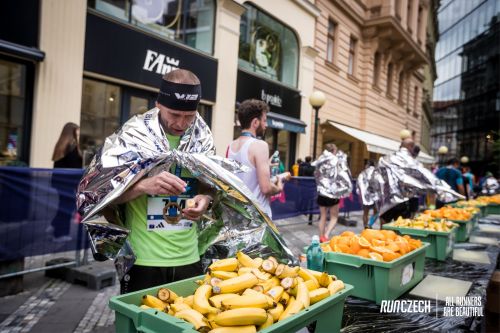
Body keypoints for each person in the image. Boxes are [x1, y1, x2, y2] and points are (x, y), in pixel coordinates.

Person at [112, 69, 215, 293]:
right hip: (144, 261)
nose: (181, 123)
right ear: (159, 104)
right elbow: (103, 197)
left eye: (189, 116)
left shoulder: (202, 137)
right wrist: (143, 186)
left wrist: (205, 199)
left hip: (189, 257)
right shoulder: (133, 135)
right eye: (174, 114)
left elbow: (211, 186)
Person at [227, 99, 283, 218]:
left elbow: (245, 176)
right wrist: (278, 188)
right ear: (255, 122)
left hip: (236, 214)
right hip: (257, 218)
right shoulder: (260, 145)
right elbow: (266, 188)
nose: (266, 125)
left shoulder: (230, 146)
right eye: (264, 120)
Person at [50, 122, 83, 241]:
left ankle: (54, 225)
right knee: (67, 208)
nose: (79, 134)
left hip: (59, 182)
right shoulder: (72, 147)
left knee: (62, 205)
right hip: (67, 182)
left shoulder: (61, 145)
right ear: (72, 132)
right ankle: (60, 234)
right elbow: (75, 166)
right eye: (77, 131)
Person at [379, 138, 414, 226]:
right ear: (410, 147)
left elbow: (379, 178)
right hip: (403, 200)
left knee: (384, 227)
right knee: (402, 229)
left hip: (387, 200)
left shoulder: (386, 158)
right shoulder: (409, 161)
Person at [315, 143, 341, 242]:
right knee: (334, 217)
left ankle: (321, 236)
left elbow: (316, 175)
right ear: (334, 151)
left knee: (323, 216)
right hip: (333, 193)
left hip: (321, 192)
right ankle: (326, 235)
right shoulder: (336, 160)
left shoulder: (320, 160)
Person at [358, 160, 378, 229]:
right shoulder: (376, 172)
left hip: (365, 197)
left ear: (367, 165)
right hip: (375, 196)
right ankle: (370, 224)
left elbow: (358, 186)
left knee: (365, 213)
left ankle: (365, 228)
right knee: (376, 212)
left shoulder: (362, 173)